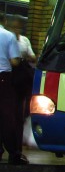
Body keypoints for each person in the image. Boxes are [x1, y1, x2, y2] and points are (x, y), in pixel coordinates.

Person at [0, 13, 28, 164]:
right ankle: (13, 153)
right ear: (4, 21)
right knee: (7, 117)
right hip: (3, 79)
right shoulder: (8, 36)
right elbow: (15, 62)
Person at [7, 15, 36, 148]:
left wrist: (23, 57)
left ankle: (18, 140)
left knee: (20, 110)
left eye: (19, 27)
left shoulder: (24, 40)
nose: (17, 29)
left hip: (21, 78)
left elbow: (33, 57)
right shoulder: (7, 38)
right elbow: (12, 60)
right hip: (9, 77)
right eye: (15, 27)